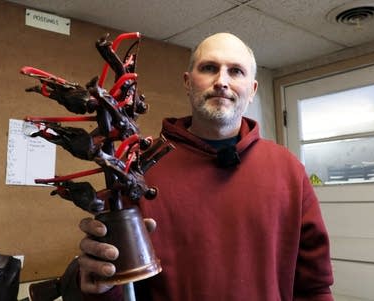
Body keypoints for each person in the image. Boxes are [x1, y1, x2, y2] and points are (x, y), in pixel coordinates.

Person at [77, 32, 334, 300]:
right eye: (209, 68)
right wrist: (95, 283)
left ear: (253, 90)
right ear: (188, 82)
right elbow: (117, 282)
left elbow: (314, 287)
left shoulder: (288, 170)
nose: (222, 81)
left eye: (235, 71)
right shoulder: (137, 168)